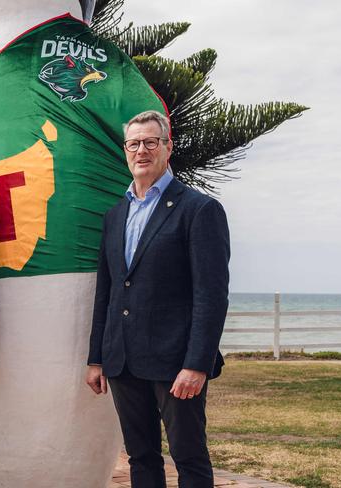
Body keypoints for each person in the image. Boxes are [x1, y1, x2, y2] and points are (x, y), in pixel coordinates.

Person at [86, 110, 230, 488]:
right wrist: (97, 357)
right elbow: (108, 291)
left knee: (190, 458)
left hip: (175, 362)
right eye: (134, 144)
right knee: (141, 457)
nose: (141, 150)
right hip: (123, 361)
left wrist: (196, 364)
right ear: (125, 150)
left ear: (168, 147)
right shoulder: (115, 216)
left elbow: (211, 296)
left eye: (151, 142)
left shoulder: (199, 210)